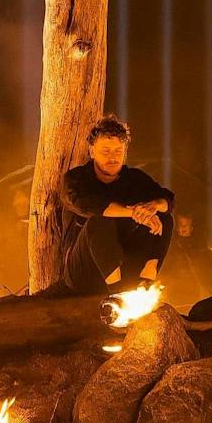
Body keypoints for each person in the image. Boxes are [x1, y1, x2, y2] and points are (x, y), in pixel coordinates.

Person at [60, 117, 171, 292]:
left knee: (163, 217)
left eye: (118, 151)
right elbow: (88, 206)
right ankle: (117, 293)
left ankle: (145, 283)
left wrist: (153, 207)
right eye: (105, 151)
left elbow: (167, 199)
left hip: (125, 266)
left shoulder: (134, 179)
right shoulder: (77, 179)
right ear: (92, 151)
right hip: (83, 272)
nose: (112, 157)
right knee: (99, 221)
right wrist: (134, 213)